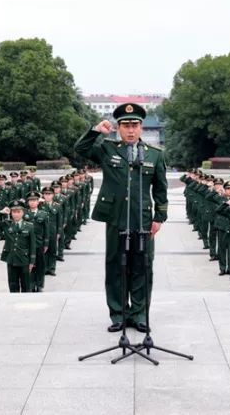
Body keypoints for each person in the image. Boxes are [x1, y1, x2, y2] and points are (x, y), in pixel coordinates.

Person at [74, 102, 168, 333]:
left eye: (134, 125)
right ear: (118, 127)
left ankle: (139, 314)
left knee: (142, 266)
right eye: (125, 125)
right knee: (116, 266)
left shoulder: (155, 155)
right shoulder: (108, 149)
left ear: (142, 127)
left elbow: (160, 189)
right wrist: (96, 130)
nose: (130, 130)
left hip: (143, 219)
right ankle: (118, 314)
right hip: (116, 217)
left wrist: (159, 217)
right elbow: (81, 149)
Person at [0, 200, 36, 293]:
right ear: (11, 212)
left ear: (23, 212)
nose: (16, 214)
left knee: (26, 285)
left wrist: (32, 261)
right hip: (11, 258)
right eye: (14, 212)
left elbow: (32, 245)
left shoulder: (29, 226)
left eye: (18, 212)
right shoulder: (7, 224)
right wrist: (0, 213)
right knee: (13, 284)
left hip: (24, 259)